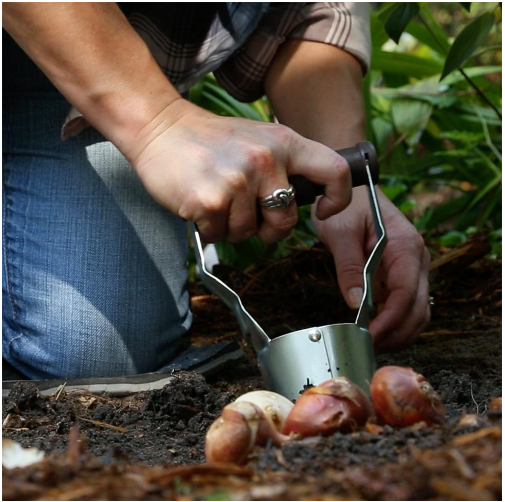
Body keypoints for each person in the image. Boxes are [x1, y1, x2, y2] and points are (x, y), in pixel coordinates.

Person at [2, 3, 430, 380]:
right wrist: (158, 125)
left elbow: (305, 12)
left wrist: (340, 178)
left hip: (103, 41)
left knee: (93, 345)